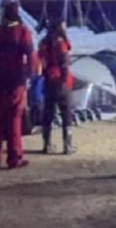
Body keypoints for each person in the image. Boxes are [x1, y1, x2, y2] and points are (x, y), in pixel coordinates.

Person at [0, 1, 36, 170]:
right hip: (15, 80)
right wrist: (29, 77)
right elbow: (31, 56)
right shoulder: (23, 32)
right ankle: (14, 158)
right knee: (14, 120)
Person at [38, 19, 75, 154]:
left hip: (49, 80)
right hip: (61, 82)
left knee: (48, 113)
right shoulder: (61, 43)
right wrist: (64, 79)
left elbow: (41, 61)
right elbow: (64, 63)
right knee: (66, 113)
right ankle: (67, 146)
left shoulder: (43, 43)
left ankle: (46, 144)